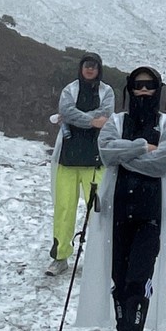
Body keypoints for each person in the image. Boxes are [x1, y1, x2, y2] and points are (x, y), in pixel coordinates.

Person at [75, 66, 166, 331]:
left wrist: (125, 154)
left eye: (150, 86)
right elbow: (106, 153)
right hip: (116, 212)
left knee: (138, 281)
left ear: (158, 89)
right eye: (138, 86)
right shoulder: (117, 122)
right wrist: (140, 147)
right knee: (119, 282)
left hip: (152, 214)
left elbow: (164, 162)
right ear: (130, 89)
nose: (144, 92)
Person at [46, 52, 115, 276]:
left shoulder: (107, 91)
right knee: (64, 209)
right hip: (67, 159)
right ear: (81, 67)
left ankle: (98, 258)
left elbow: (107, 114)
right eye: (86, 65)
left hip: (95, 160)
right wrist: (92, 121)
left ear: (99, 69)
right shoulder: (70, 89)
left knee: (98, 210)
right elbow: (66, 110)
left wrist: (79, 119)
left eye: (94, 66)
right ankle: (60, 257)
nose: (89, 69)